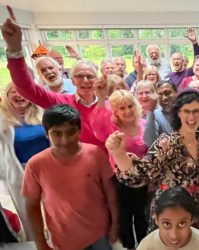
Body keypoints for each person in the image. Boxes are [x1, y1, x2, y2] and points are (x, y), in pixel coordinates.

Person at [106, 89, 199, 232]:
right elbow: (140, 175)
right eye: (186, 111)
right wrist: (118, 153)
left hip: (197, 214)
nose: (191, 117)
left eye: (196, 111)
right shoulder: (166, 142)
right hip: (169, 214)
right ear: (178, 113)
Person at [1, 9, 108, 150]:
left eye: (90, 76)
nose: (85, 80)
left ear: (97, 79)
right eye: (79, 76)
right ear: (72, 80)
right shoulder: (61, 102)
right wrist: (15, 49)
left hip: (110, 165)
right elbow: (26, 88)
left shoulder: (108, 104)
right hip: (77, 165)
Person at [21, 104, 118, 250]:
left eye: (71, 132)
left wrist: (116, 224)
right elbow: (32, 207)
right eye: (57, 134)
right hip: (63, 240)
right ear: (47, 134)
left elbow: (111, 193)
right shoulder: (36, 164)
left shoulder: (95, 154)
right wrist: (40, 243)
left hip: (99, 234)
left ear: (80, 131)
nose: (65, 140)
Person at [91, 88, 149, 250]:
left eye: (130, 106)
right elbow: (96, 126)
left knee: (141, 214)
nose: (127, 111)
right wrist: (101, 99)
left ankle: (143, 244)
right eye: (122, 108)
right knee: (124, 214)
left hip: (142, 179)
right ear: (115, 111)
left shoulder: (144, 124)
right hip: (119, 179)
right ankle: (129, 246)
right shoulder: (110, 128)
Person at [0, 82, 50, 240]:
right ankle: (35, 239)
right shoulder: (2, 118)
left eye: (22, 91)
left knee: (54, 205)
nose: (19, 95)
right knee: (27, 210)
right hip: (19, 170)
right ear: (7, 96)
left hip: (47, 169)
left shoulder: (41, 112)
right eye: (14, 92)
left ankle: (58, 234)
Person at [137, 186, 199, 250]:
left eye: (182, 223)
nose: (174, 235)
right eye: (166, 224)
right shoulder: (147, 246)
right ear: (156, 219)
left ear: (192, 219)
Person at [143, 80, 177, 147]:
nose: (164, 98)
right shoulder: (155, 115)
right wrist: (151, 111)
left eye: (167, 93)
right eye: (160, 95)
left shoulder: (185, 111)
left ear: (176, 93)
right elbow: (149, 142)